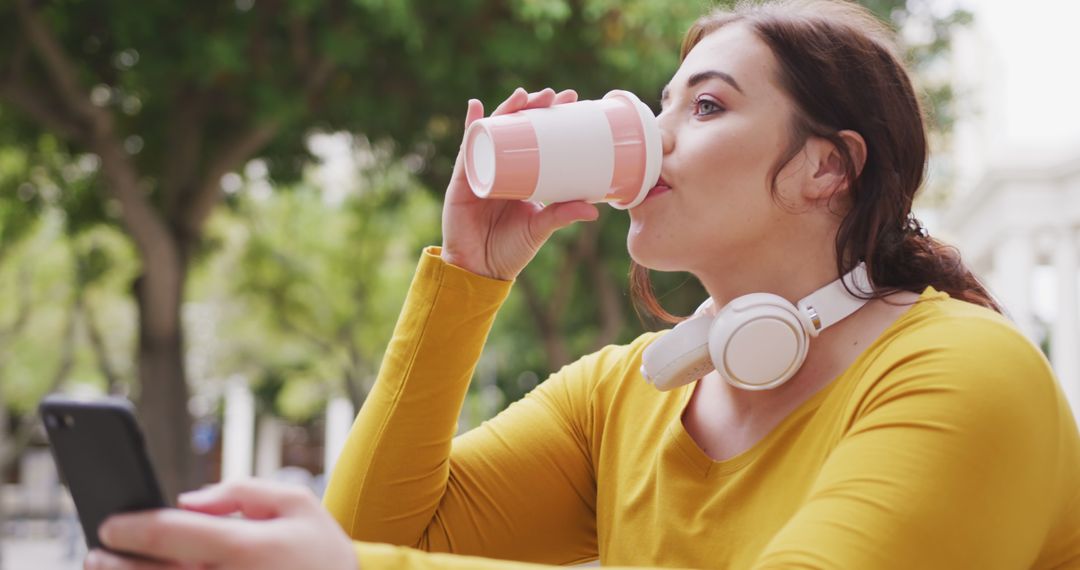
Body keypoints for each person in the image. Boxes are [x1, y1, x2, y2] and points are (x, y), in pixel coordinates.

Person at [86, 1, 1080, 569]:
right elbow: (378, 534)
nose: (656, 136)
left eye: (708, 104)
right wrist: (469, 275)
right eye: (660, 103)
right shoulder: (626, 395)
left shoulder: (964, 375)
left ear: (828, 167)